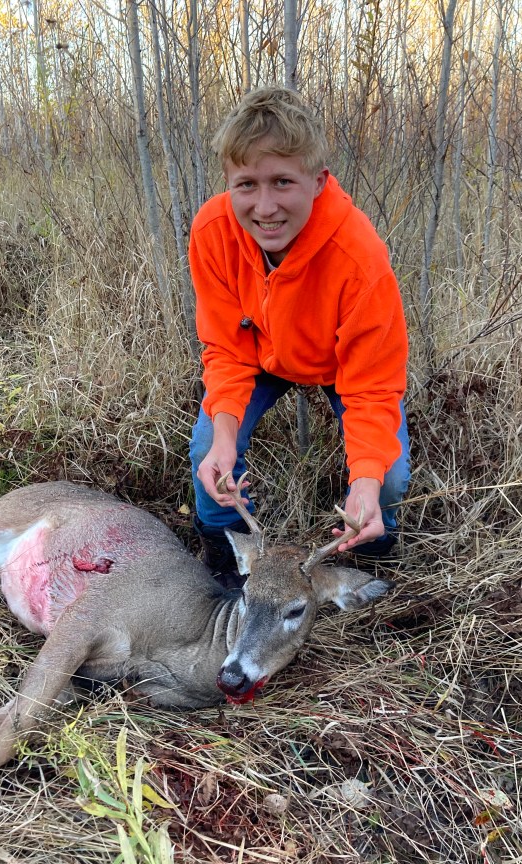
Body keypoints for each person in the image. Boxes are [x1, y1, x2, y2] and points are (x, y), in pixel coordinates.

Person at [188, 86, 410, 583]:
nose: (265, 207)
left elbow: (372, 386)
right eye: (247, 185)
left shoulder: (360, 259)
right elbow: (225, 349)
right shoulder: (212, 232)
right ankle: (227, 559)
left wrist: (366, 479)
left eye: (282, 182)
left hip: (339, 367)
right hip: (258, 357)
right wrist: (224, 438)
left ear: (318, 181)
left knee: (389, 477)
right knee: (207, 454)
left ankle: (372, 552)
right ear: (227, 184)